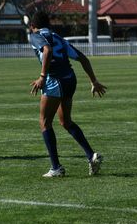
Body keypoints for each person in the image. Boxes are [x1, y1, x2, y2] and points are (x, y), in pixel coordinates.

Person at [29, 11, 107, 177]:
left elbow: (48, 50)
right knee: (65, 121)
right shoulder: (57, 36)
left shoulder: (35, 35)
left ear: (32, 26)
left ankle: (56, 168)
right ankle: (91, 156)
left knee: (44, 122)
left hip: (55, 80)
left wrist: (42, 77)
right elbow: (83, 58)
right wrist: (94, 81)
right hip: (70, 79)